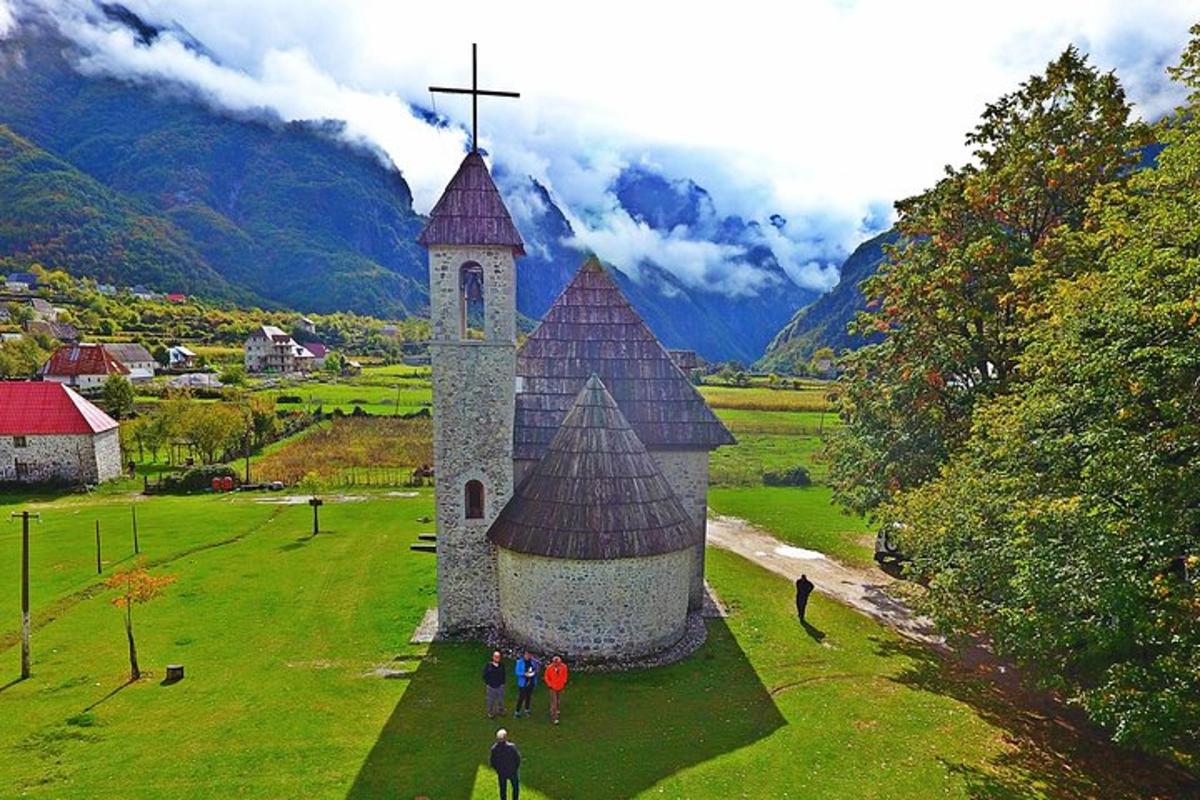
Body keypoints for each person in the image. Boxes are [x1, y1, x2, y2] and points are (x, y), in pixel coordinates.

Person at [490, 728, 520, 800]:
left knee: (503, 789)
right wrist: (515, 768)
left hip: (501, 772)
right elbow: (518, 759)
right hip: (512, 771)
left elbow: (492, 762)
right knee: (515, 787)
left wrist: (497, 770)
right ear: (506, 737)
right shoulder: (512, 747)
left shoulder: (494, 749)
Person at [513, 650, 540, 718]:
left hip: (531, 682)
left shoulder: (533, 662)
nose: (528, 656)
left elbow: (537, 670)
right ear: (524, 655)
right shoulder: (520, 662)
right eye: (527, 654)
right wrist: (524, 674)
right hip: (523, 683)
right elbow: (517, 672)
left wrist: (535, 672)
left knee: (528, 696)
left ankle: (527, 709)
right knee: (521, 697)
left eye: (529, 655)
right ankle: (517, 711)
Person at [543, 655, 569, 725]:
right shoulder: (549, 668)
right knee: (553, 702)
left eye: (558, 663)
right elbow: (546, 677)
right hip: (552, 688)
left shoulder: (564, 667)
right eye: (555, 663)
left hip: (560, 687)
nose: (557, 664)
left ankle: (557, 709)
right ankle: (554, 718)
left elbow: (565, 676)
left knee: (559, 700)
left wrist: (563, 682)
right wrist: (550, 685)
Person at [483, 650, 507, 719]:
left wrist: (502, 683)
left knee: (501, 699)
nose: (497, 658)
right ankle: (490, 712)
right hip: (491, 686)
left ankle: (501, 710)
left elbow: (503, 674)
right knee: (490, 700)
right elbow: (484, 675)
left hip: (500, 686)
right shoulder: (488, 666)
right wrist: (488, 683)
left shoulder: (502, 665)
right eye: (496, 657)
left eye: (498, 657)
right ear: (493, 657)